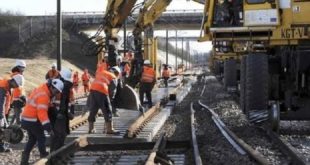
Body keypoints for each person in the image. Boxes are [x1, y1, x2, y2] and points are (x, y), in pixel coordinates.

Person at [20, 79, 64, 165]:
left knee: (32, 139)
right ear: (51, 87)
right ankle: (43, 155)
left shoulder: (42, 89)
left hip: (26, 119)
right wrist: (48, 128)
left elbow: (47, 104)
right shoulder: (44, 95)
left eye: (58, 92)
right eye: (56, 91)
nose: (57, 93)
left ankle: (24, 160)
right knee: (41, 137)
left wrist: (55, 112)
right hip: (32, 120)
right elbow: (42, 113)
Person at [49, 68, 75, 155]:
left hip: (58, 113)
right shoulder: (62, 86)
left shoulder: (58, 84)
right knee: (60, 134)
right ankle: (55, 153)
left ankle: (55, 152)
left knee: (59, 134)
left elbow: (66, 101)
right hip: (59, 114)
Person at [87, 68, 119, 134]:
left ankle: (91, 129)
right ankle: (110, 129)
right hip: (102, 90)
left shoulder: (102, 72)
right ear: (116, 73)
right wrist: (110, 100)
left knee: (93, 109)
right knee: (107, 110)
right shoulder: (113, 77)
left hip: (93, 89)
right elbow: (112, 90)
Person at [0, 74, 24, 152]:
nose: (16, 87)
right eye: (16, 85)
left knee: (2, 129)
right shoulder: (3, 87)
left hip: (3, 112)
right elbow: (0, 103)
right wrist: (1, 117)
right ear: (13, 81)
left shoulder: (7, 86)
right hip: (1, 112)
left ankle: (1, 147)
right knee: (2, 128)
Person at [10, 60, 27, 125]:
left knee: (15, 115)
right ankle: (18, 132)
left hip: (17, 99)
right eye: (21, 67)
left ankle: (10, 128)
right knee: (18, 117)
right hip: (18, 99)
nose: (22, 69)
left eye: (23, 68)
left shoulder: (15, 75)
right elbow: (18, 88)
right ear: (17, 67)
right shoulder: (18, 76)